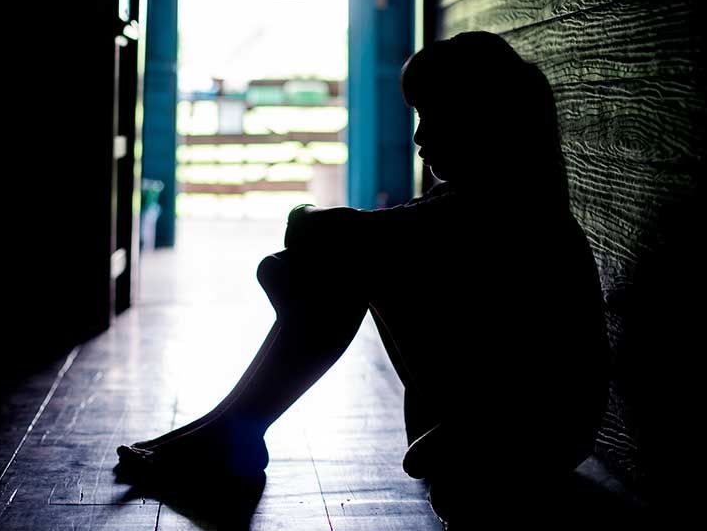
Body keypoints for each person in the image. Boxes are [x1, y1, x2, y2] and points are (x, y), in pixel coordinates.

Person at [116, 31, 609, 525]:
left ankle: (230, 435)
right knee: (352, 261)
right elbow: (322, 248)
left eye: (429, 116)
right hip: (518, 427)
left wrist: (305, 238)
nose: (418, 137)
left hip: (526, 436)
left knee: (353, 262)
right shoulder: (494, 196)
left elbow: (317, 231)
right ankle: (227, 432)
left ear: (477, 117)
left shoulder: (493, 208)